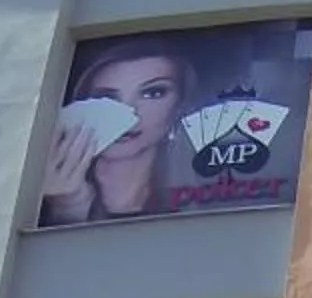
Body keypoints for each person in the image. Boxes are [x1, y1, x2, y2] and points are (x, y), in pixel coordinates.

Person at [40, 39, 196, 226]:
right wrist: (68, 209)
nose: (128, 109)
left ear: (179, 106)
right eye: (106, 97)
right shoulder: (36, 194)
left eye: (152, 93)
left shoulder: (198, 201)